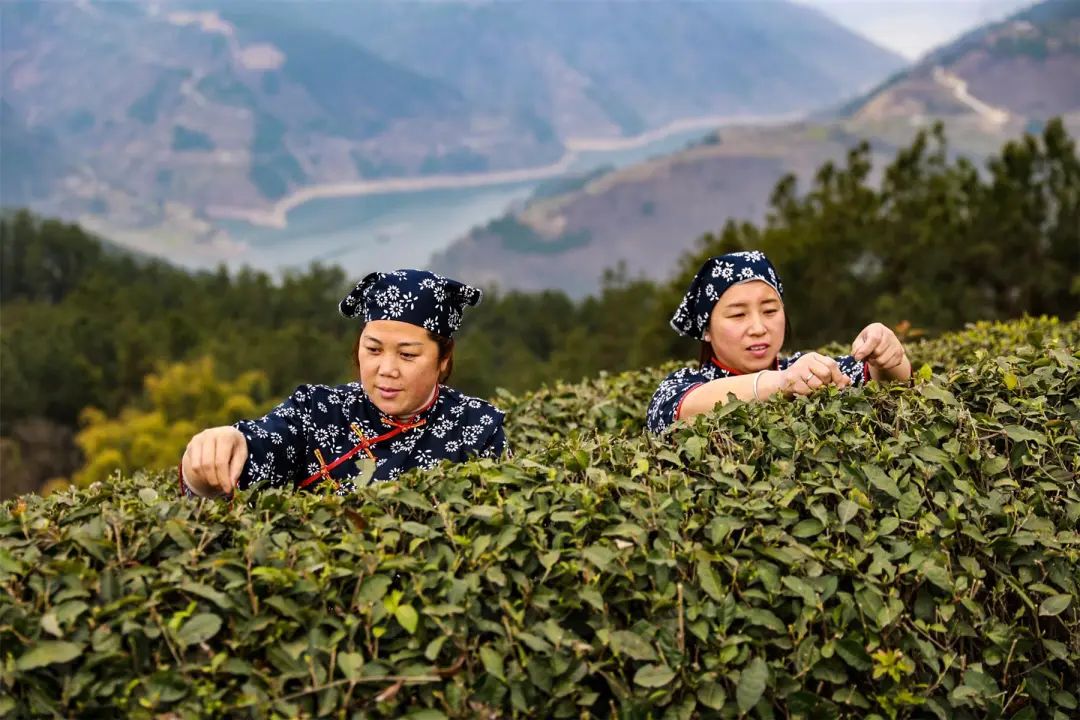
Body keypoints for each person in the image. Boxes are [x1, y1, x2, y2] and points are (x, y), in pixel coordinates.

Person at [180, 269, 508, 497]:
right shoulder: (317, 410)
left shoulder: (477, 427)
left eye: (407, 355)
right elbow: (263, 446)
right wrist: (223, 449)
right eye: (373, 349)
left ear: (444, 358)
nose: (387, 370)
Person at [647, 250, 911, 434]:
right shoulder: (678, 387)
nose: (758, 328)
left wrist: (885, 353)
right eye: (738, 315)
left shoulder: (804, 370)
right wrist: (782, 383)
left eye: (770, 310)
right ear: (707, 329)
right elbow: (682, 410)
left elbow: (885, 382)